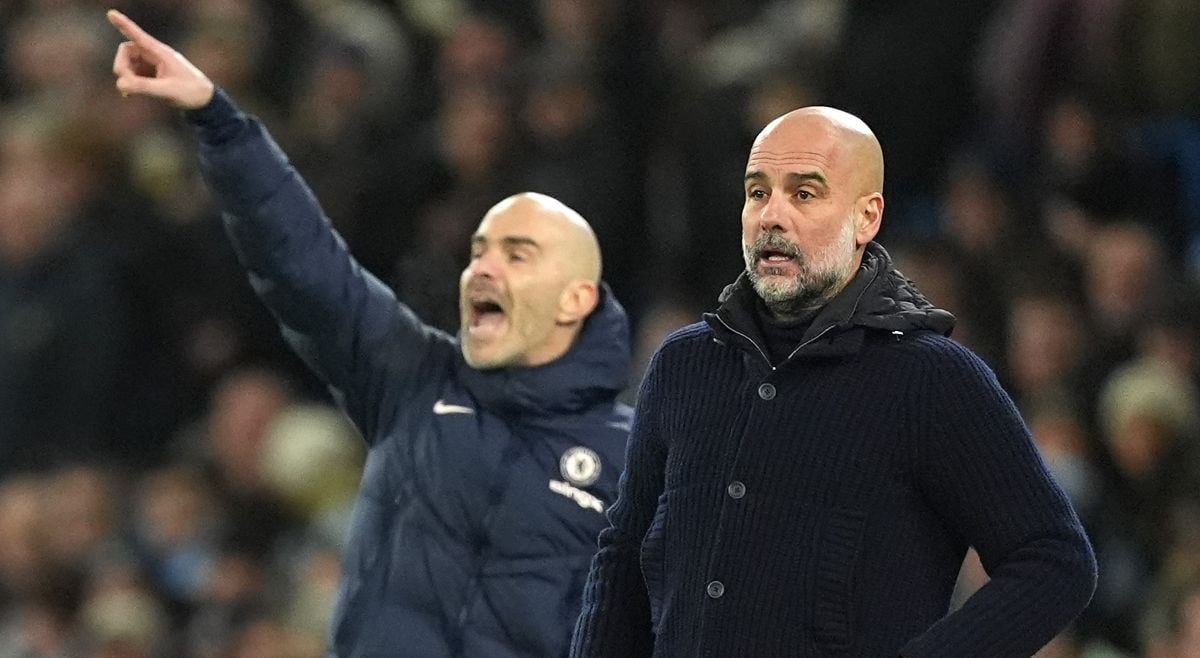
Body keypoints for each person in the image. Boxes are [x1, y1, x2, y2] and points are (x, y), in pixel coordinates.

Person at [105, 10, 632, 657]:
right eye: (478, 252)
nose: (484, 269)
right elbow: (305, 264)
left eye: (516, 255)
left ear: (577, 298)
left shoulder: (636, 459)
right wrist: (220, 121)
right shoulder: (413, 379)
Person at [571, 106, 1098, 656]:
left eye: (804, 194)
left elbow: (1054, 559)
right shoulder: (683, 364)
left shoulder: (934, 380)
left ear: (866, 218)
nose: (771, 216)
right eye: (757, 192)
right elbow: (624, 556)